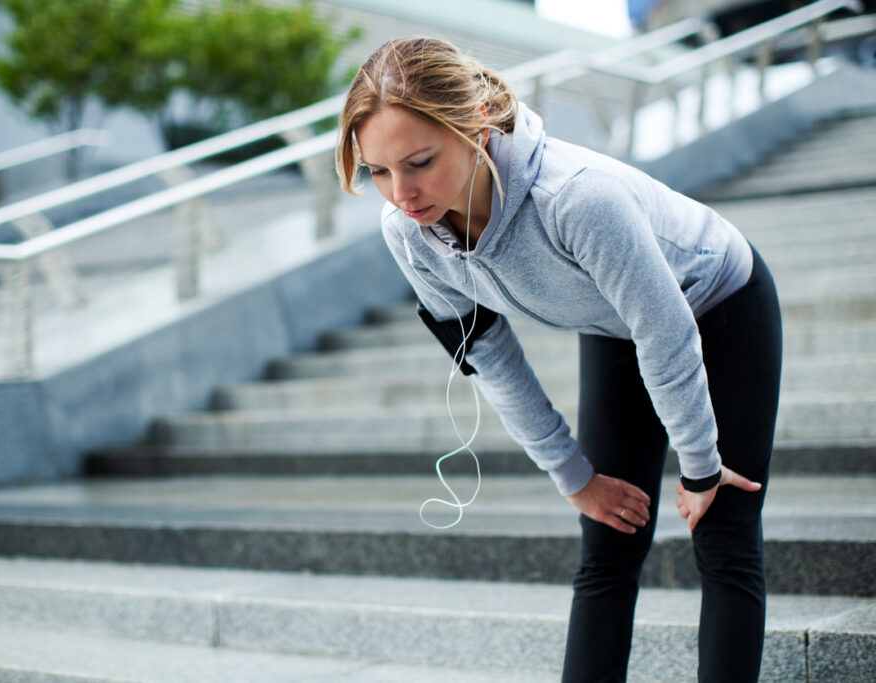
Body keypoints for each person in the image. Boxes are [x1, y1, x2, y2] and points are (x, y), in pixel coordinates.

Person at [335, 37, 782, 682]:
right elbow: (486, 352)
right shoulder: (410, 232)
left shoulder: (576, 198)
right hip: (612, 324)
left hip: (717, 302)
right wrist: (572, 474)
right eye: (377, 171)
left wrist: (701, 466)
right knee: (609, 540)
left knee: (724, 530)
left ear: (477, 128)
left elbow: (667, 335)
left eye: (420, 162)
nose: (400, 192)